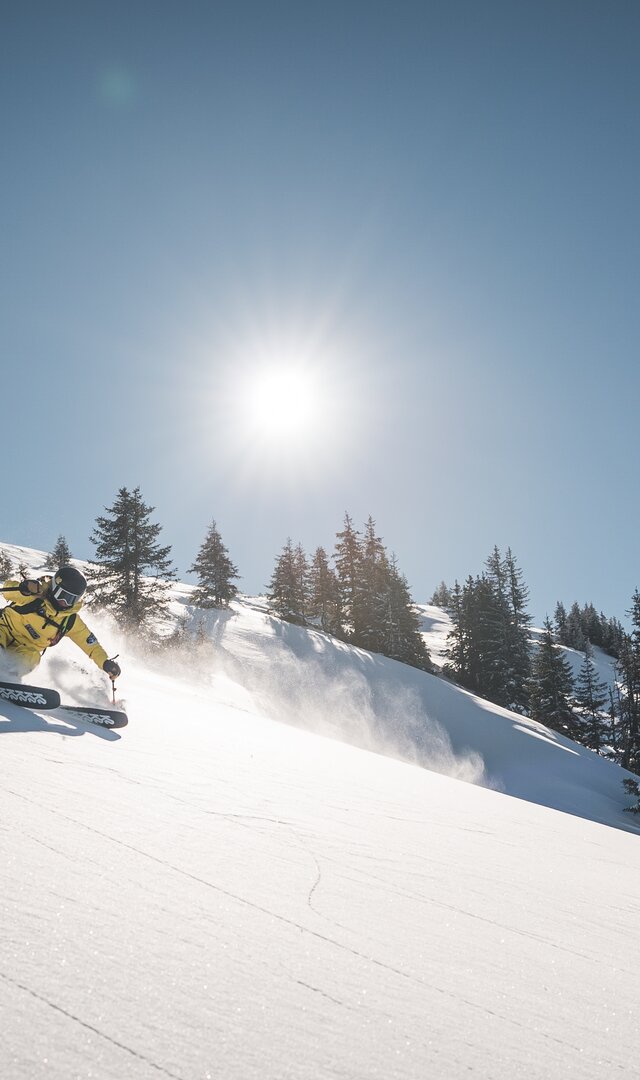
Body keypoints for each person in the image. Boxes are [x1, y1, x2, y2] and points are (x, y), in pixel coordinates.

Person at [0, 565, 121, 681]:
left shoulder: (69, 621)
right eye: (61, 595)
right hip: (4, 629)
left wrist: (105, 662)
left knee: (33, 659)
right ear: (53, 587)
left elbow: (90, 644)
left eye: (70, 599)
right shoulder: (36, 594)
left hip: (26, 649)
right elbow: (7, 591)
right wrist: (23, 588)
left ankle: (7, 677)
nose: (64, 602)